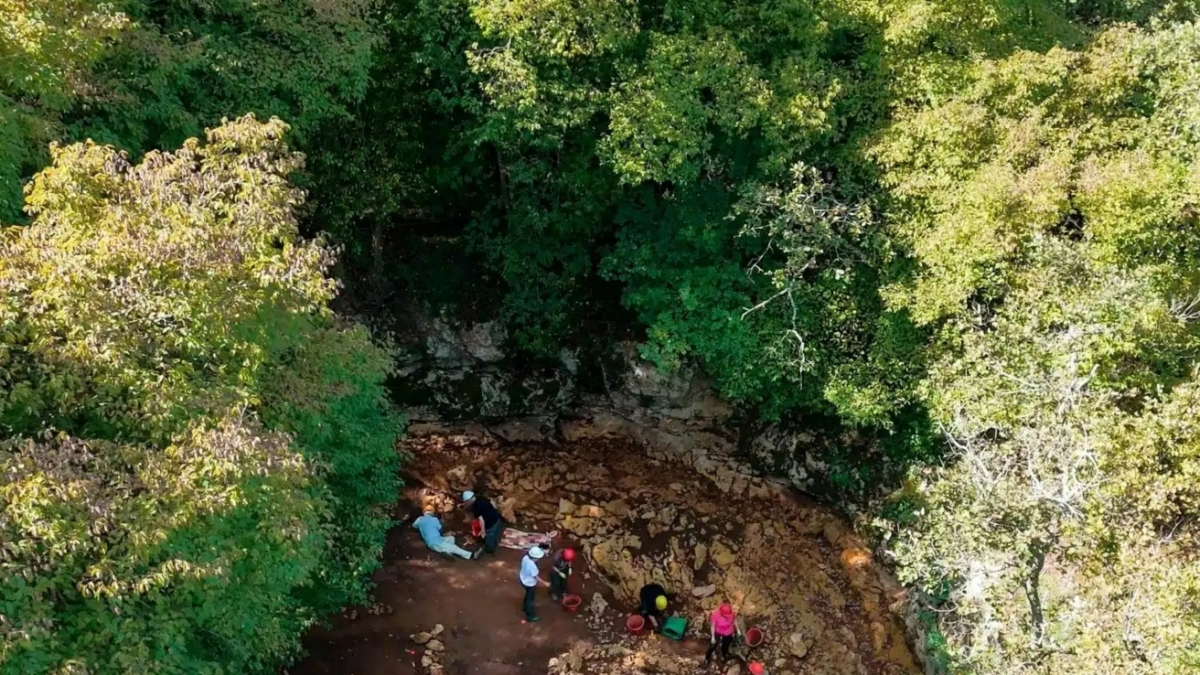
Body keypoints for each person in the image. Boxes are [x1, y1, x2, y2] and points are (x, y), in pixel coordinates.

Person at [413, 506, 478, 560]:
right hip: (435, 542)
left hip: (436, 539)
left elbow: (414, 526)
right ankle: (471, 555)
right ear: (432, 513)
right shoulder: (434, 519)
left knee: (451, 538)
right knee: (454, 547)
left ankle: (447, 552)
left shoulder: (419, 519)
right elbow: (441, 530)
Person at [462, 490, 506, 554]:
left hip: (489, 522)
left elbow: (481, 520)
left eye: (466, 502)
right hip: (496, 517)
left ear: (469, 500)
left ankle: (490, 548)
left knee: (489, 535)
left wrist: (483, 531)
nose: (467, 504)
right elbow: (492, 503)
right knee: (496, 531)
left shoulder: (475, 506)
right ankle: (496, 539)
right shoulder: (481, 498)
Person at [519, 545, 549, 622]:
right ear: (535, 558)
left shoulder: (525, 558)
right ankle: (530, 616)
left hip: (522, 579)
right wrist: (545, 583)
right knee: (530, 600)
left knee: (527, 595)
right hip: (529, 583)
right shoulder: (532, 566)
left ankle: (525, 607)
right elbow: (536, 577)